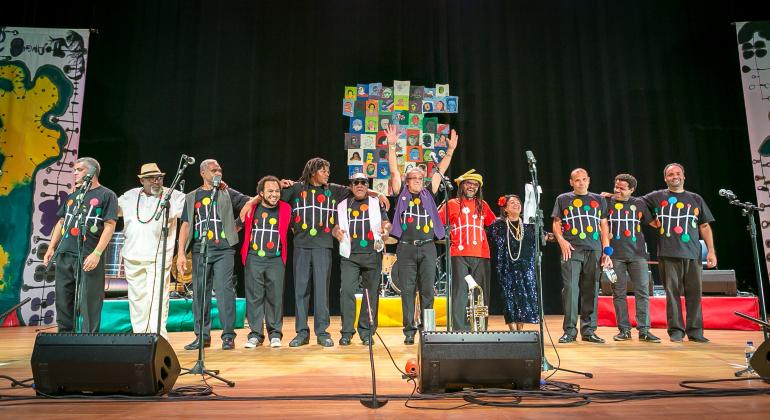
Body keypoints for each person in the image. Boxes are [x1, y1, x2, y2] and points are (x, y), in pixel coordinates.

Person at [240, 158, 388, 347]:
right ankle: (302, 332)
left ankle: (322, 332)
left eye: (328, 170)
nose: (327, 173)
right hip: (301, 246)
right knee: (301, 291)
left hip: (323, 247)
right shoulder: (295, 189)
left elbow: (357, 188)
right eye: (324, 171)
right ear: (313, 172)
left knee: (321, 292)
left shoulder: (333, 189)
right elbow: (271, 196)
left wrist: (379, 194)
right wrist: (250, 203)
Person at [386, 124, 458, 344]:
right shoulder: (401, 193)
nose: (418, 180)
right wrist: (391, 146)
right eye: (414, 178)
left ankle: (427, 329)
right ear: (407, 182)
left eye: (420, 177)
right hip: (406, 247)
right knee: (407, 291)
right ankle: (409, 332)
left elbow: (440, 171)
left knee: (428, 290)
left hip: (428, 246)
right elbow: (394, 171)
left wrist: (450, 151)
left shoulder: (429, 192)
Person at [177, 159, 250, 350]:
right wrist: (181, 253)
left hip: (224, 249)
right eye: (213, 170)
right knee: (200, 293)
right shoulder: (192, 196)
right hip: (200, 250)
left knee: (225, 292)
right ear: (202, 173)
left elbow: (250, 203)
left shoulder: (227, 192)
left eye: (219, 169)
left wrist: (237, 225)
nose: (218, 172)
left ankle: (228, 336)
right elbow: (185, 225)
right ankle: (202, 336)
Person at [642, 163, 716, 343]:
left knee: (694, 294)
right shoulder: (657, 196)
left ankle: (696, 331)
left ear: (684, 176)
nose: (674, 176)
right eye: (670, 174)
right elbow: (635, 203)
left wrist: (711, 252)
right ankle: (675, 331)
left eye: (677, 173)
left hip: (692, 254)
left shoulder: (695, 198)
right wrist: (651, 221)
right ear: (665, 178)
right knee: (672, 294)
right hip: (668, 253)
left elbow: (704, 226)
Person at [43, 157, 118, 333]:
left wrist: (97, 253)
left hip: (88, 255)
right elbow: (62, 221)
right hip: (65, 253)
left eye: (79, 170)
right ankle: (65, 338)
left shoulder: (107, 195)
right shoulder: (73, 196)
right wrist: (51, 247)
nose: (75, 173)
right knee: (63, 299)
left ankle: (88, 340)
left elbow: (110, 225)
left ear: (91, 172)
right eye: (74, 170)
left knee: (89, 301)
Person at [117, 163, 184, 337]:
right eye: (151, 178)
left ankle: (157, 338)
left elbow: (191, 210)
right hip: (132, 256)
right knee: (137, 300)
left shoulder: (173, 196)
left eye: (159, 177)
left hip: (159, 258)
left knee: (158, 299)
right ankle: (140, 337)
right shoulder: (130, 196)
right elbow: (111, 210)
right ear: (142, 180)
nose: (156, 181)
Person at [551, 168, 611, 344]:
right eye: (577, 180)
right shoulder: (563, 199)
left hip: (594, 250)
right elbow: (556, 223)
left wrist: (607, 251)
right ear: (571, 182)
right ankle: (569, 331)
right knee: (570, 289)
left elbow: (604, 226)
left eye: (584, 179)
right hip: (572, 249)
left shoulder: (599, 200)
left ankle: (589, 330)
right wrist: (561, 241)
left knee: (591, 289)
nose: (581, 183)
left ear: (589, 180)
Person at [333, 172, 391, 345]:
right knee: (347, 292)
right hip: (350, 255)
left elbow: (386, 223)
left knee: (370, 294)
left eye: (363, 182)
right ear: (351, 186)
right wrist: (337, 232)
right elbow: (335, 226)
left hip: (372, 254)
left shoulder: (376, 203)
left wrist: (386, 231)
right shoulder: (342, 205)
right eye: (356, 182)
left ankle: (366, 332)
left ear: (367, 185)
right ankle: (347, 332)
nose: (360, 185)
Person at [605, 174, 660, 343]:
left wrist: (661, 213)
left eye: (622, 188)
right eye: (616, 186)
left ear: (632, 190)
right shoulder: (606, 203)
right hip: (615, 255)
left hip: (637, 255)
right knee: (618, 294)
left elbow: (654, 224)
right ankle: (624, 330)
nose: (617, 190)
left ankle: (644, 330)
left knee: (642, 292)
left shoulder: (639, 204)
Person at [438, 169, 496, 331]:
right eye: (469, 183)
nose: (472, 187)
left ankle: (480, 327)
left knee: (481, 293)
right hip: (459, 254)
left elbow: (493, 224)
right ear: (461, 185)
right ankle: (460, 330)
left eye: (475, 185)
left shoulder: (483, 205)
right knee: (460, 293)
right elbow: (437, 221)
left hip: (482, 254)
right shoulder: (451, 204)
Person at [240, 176, 292, 348]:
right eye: (270, 191)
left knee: (275, 297)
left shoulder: (286, 208)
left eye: (277, 191)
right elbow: (237, 224)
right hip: (254, 257)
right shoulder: (251, 208)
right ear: (261, 193)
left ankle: (275, 333)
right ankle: (255, 334)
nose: (275, 194)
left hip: (275, 258)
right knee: (254, 296)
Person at [489, 194, 539, 331]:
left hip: (525, 267)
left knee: (523, 296)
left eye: (518, 202)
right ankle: (512, 329)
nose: (516, 204)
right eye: (512, 203)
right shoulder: (497, 226)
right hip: (506, 267)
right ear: (505, 209)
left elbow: (544, 236)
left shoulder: (529, 226)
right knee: (508, 297)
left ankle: (520, 329)